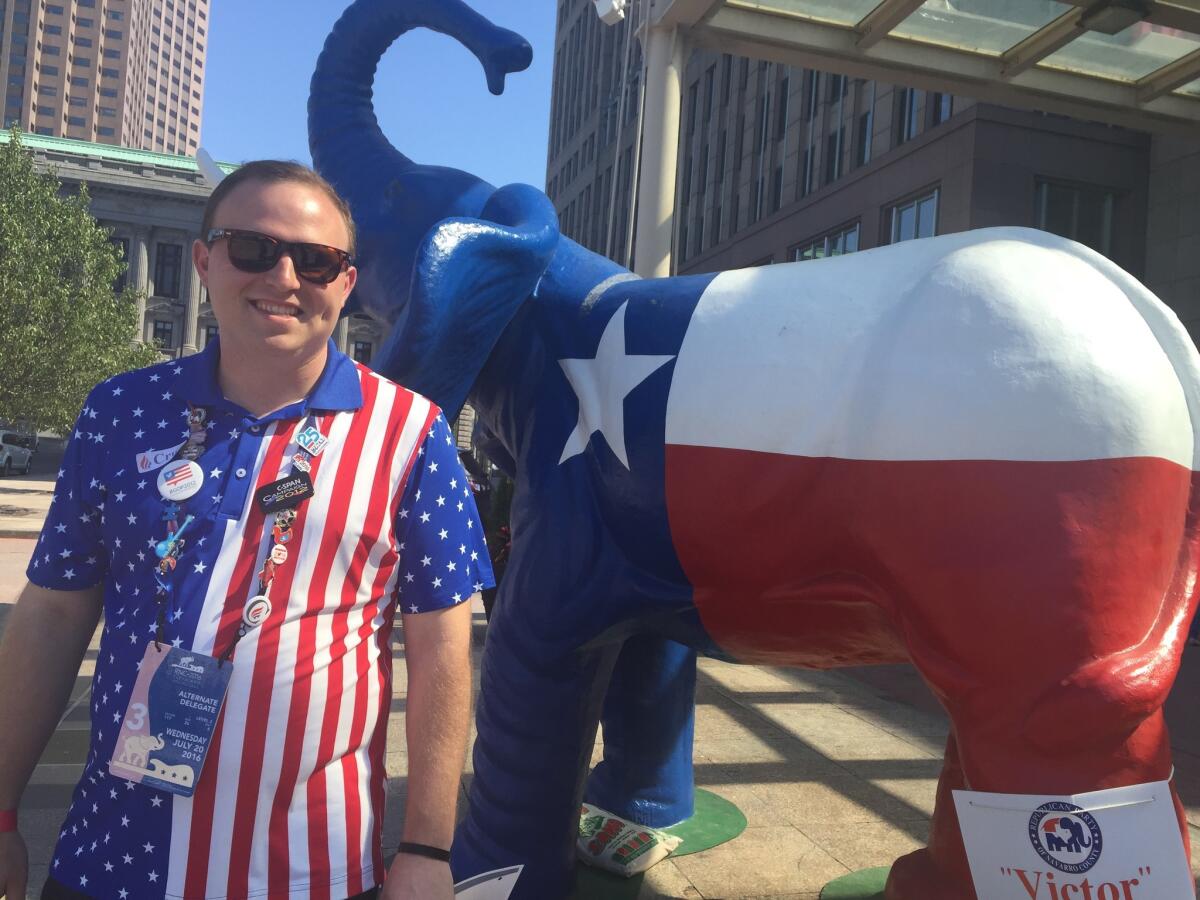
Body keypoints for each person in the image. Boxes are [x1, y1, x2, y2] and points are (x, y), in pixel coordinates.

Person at [0, 161, 492, 900]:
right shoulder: (120, 409)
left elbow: (441, 651)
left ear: (347, 283)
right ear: (204, 260)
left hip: (312, 870)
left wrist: (426, 847)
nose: (285, 276)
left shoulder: (411, 433)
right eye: (253, 248)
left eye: (317, 259)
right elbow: (52, 614)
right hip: (114, 862)